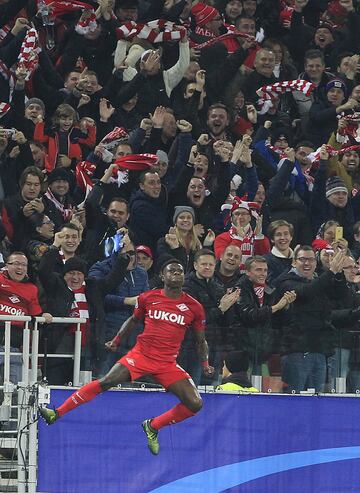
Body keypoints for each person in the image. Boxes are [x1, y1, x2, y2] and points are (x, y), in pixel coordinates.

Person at [39, 259, 214, 456]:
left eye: (180, 271)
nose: (176, 274)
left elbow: (201, 340)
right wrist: (116, 340)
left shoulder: (194, 306)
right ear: (162, 276)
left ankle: (153, 426)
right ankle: (57, 413)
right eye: (171, 271)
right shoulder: (148, 297)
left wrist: (205, 363)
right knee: (106, 381)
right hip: (141, 356)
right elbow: (133, 320)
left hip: (167, 363)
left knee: (195, 403)